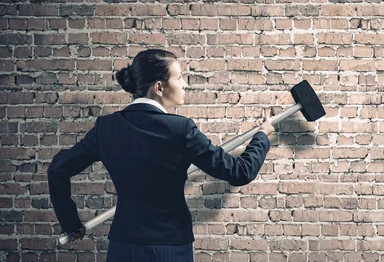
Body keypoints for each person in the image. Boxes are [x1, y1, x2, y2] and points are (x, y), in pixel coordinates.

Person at [48, 49, 274, 261]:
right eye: (179, 78)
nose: (185, 85)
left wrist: (70, 223)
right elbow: (240, 172)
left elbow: (59, 169)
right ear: (159, 87)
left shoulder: (106, 128)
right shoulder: (181, 129)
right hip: (171, 247)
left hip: (124, 246)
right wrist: (262, 136)